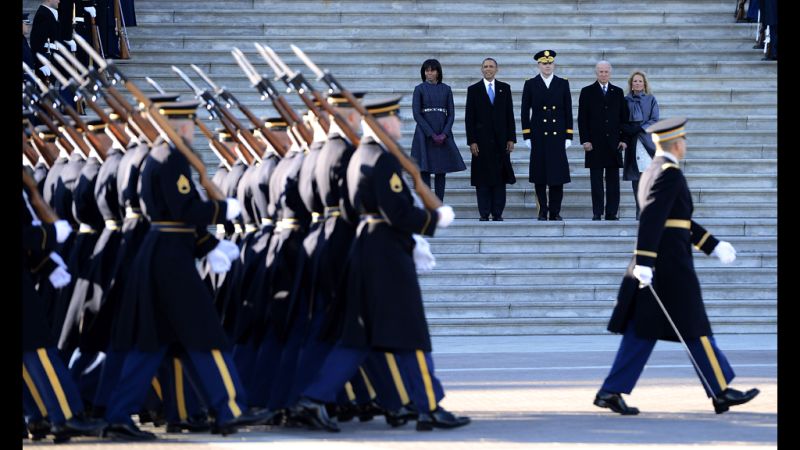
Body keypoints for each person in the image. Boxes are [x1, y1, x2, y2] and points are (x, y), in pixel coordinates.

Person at [293, 96, 469, 432]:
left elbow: (350, 208)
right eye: (397, 120)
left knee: (358, 338)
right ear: (385, 124)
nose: (400, 126)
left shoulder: (359, 155)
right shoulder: (382, 159)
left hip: (365, 251)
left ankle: (314, 398)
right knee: (412, 334)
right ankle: (428, 406)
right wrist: (433, 220)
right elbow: (398, 212)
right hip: (386, 258)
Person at [104, 101, 271, 440]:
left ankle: (118, 413)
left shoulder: (155, 157)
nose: (192, 129)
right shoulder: (173, 158)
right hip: (171, 263)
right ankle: (230, 408)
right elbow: (184, 209)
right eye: (189, 123)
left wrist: (205, 245)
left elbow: (170, 215)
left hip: (162, 253)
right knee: (207, 334)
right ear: (180, 125)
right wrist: (222, 209)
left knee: (152, 342)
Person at [593, 117, 760, 415]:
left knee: (642, 331)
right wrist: (645, 260)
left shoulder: (652, 171)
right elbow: (653, 218)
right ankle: (720, 390)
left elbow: (678, 220)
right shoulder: (670, 173)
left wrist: (712, 244)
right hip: (669, 268)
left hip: (658, 265)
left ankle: (610, 391)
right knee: (695, 327)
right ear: (678, 144)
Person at [520, 50, 573, 221]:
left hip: (557, 136)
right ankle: (543, 211)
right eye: (544, 63)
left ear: (554, 65)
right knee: (540, 176)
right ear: (539, 65)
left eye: (550, 63)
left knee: (557, 177)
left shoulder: (562, 83)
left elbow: (568, 110)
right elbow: (524, 111)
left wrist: (568, 135)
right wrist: (527, 135)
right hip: (538, 135)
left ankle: (555, 212)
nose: (547, 66)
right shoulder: (530, 84)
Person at [465, 58, 516, 221]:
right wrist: (472, 141)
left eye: (491, 66)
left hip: (501, 142)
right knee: (483, 179)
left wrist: (511, 138)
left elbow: (510, 115)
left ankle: (498, 213)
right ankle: (484, 213)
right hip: (481, 143)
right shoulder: (474, 90)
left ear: (497, 69)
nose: (488, 69)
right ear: (481, 69)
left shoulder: (504, 88)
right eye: (485, 66)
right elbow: (469, 118)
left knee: (500, 179)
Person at [578, 60, 629, 221]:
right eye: (601, 71)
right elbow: (582, 119)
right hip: (594, 143)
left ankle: (612, 212)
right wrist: (585, 140)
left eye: (606, 71)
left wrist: (624, 139)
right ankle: (597, 212)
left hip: (614, 144)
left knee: (614, 181)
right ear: (596, 73)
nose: (603, 74)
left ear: (610, 73)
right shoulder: (587, 91)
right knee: (596, 181)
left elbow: (624, 118)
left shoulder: (618, 92)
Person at [410, 59, 466, 201]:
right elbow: (417, 114)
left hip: (442, 132)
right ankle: (429, 203)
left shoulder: (446, 89)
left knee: (441, 171)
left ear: (438, 72)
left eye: (432, 70)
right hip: (424, 133)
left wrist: (445, 133)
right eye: (427, 70)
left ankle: (439, 203)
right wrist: (431, 133)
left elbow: (451, 113)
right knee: (425, 170)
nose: (429, 73)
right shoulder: (419, 89)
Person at [621, 70, 659, 220]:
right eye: (635, 81)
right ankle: (639, 211)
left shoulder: (650, 99)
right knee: (636, 179)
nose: (637, 83)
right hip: (632, 142)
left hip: (646, 141)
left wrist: (640, 128)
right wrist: (627, 129)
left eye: (640, 81)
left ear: (644, 84)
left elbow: (654, 119)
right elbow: (621, 119)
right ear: (631, 84)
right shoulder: (625, 100)